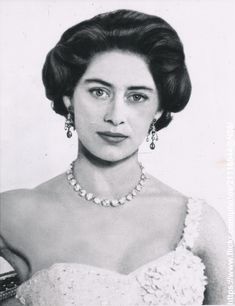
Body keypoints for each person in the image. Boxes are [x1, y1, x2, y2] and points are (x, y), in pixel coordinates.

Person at [0, 9, 231, 305]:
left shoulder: (201, 224)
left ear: (159, 109)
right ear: (69, 96)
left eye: (137, 97)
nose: (115, 116)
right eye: (98, 92)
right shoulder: (11, 214)